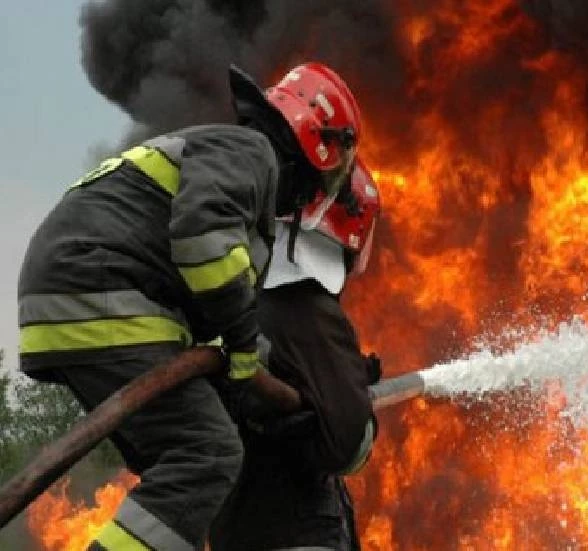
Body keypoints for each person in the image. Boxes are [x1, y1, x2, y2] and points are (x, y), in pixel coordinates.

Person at [16, 61, 363, 551]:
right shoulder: (251, 153)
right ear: (320, 145)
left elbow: (206, 297)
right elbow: (203, 242)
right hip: (100, 291)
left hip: (71, 298)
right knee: (208, 454)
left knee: (180, 465)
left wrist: (253, 368)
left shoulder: (231, 163)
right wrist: (245, 349)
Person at [210, 161, 382, 551]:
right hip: (296, 533)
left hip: (236, 532)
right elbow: (345, 445)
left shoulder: (238, 305)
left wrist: (343, 380)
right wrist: (356, 406)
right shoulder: (307, 307)